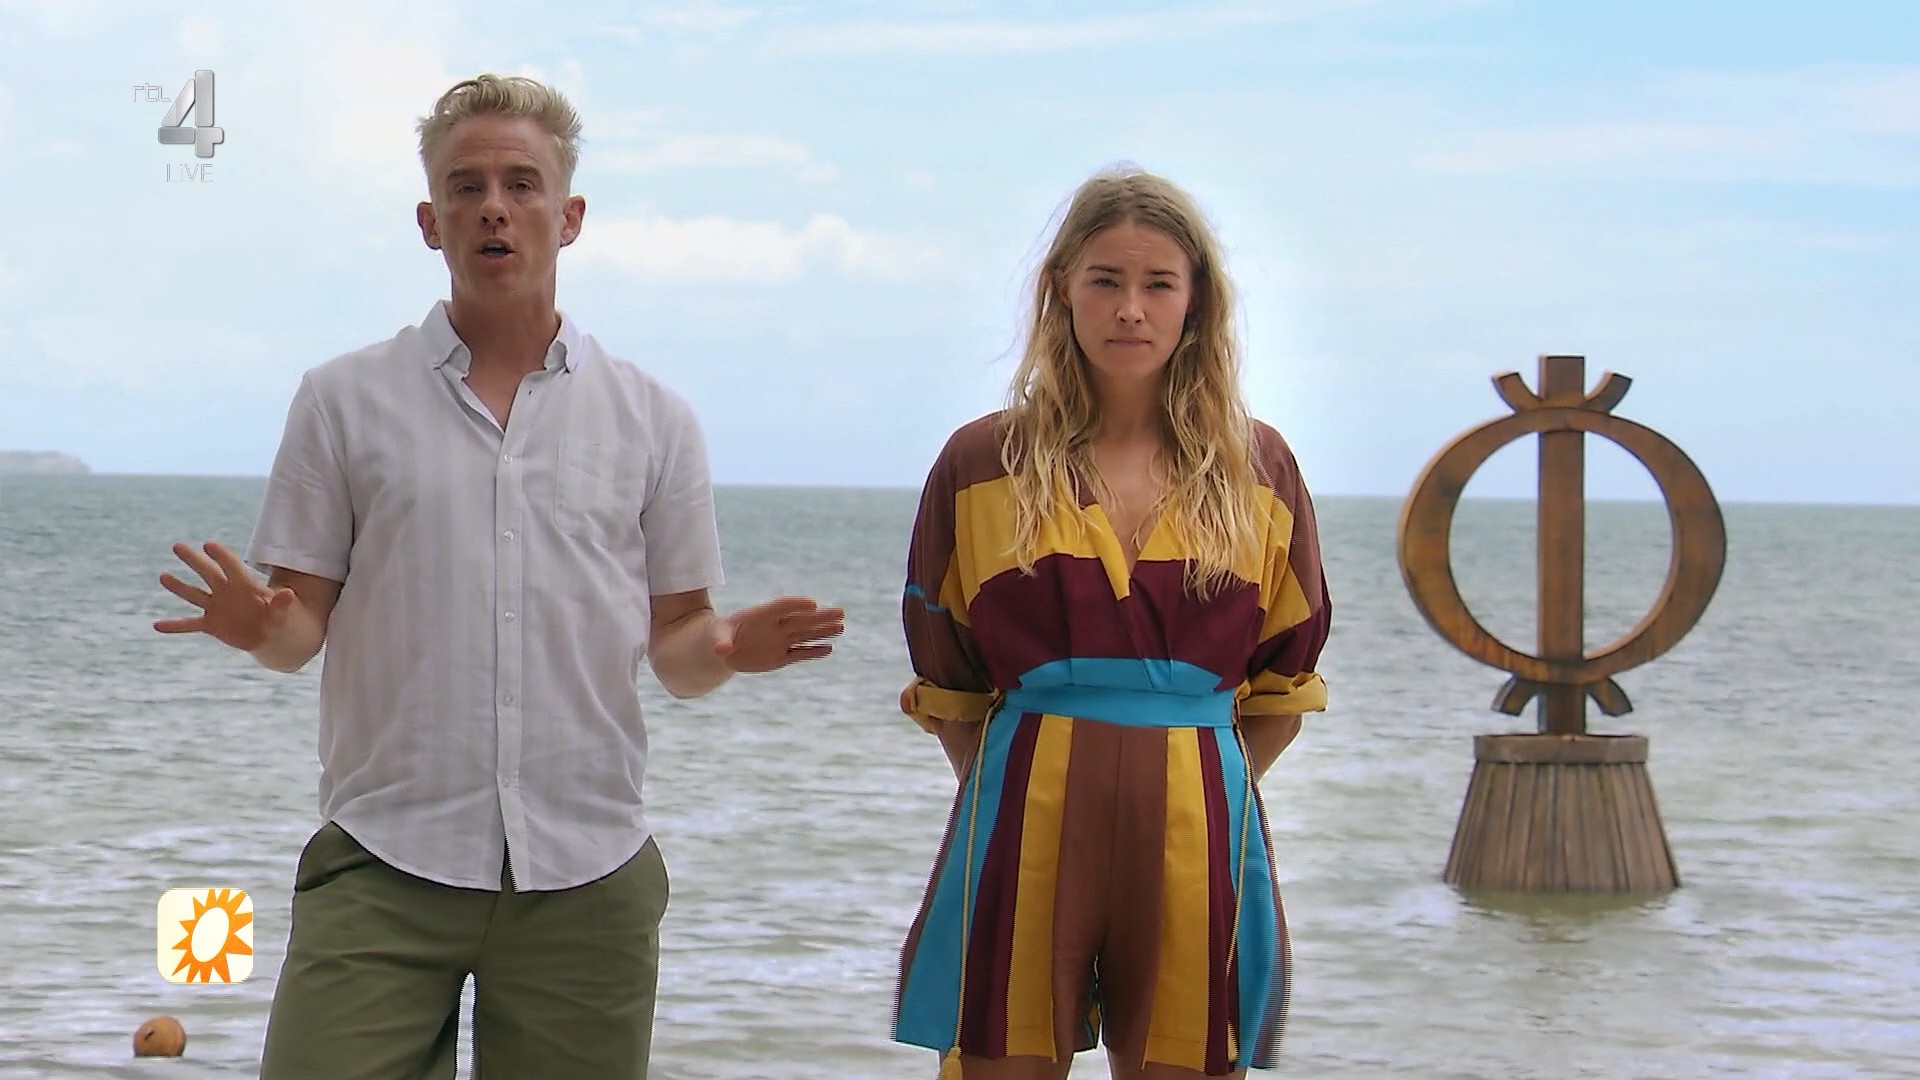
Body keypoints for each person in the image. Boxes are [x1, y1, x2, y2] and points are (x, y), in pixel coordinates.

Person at [152, 73, 844, 1080]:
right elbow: (299, 627)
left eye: (522, 184)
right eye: (466, 186)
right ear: (429, 222)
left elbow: (681, 649)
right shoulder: (342, 400)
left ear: (570, 216)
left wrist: (731, 645)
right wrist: (258, 624)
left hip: (587, 874)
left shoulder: (654, 418)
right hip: (384, 858)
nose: (493, 207)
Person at [890, 166, 1332, 1080]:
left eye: (1158, 283)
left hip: (1199, 824)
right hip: (1021, 814)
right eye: (1106, 280)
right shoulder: (983, 462)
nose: (1131, 309)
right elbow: (949, 682)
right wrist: (1041, 783)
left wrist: (1181, 777)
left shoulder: (1258, 468)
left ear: (1195, 300)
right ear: (1063, 289)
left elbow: (1283, 685)